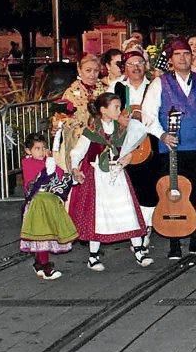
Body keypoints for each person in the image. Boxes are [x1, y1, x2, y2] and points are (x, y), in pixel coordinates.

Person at [141, 38, 196, 260]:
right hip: (170, 149)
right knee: (172, 193)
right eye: (178, 55)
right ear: (171, 59)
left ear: (192, 57)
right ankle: (174, 242)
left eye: (186, 54)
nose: (183, 58)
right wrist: (162, 135)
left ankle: (195, 239)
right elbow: (147, 114)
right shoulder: (159, 83)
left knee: (195, 193)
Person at [67, 92, 154, 271]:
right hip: (99, 177)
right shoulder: (91, 131)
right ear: (103, 110)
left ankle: (138, 251)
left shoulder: (121, 129)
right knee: (98, 216)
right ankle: (93, 256)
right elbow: (77, 152)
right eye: (116, 107)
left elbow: (131, 148)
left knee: (128, 211)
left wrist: (128, 156)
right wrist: (75, 168)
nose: (119, 110)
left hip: (118, 175)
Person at [20, 133, 78, 280]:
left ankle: (39, 263)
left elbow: (61, 176)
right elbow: (31, 183)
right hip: (38, 204)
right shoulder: (27, 163)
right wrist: (46, 172)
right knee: (41, 235)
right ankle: (46, 266)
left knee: (46, 234)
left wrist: (73, 178)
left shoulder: (49, 161)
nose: (41, 151)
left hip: (50, 202)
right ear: (28, 151)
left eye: (43, 148)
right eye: (37, 148)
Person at [114, 51, 158, 243]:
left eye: (139, 62)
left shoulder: (155, 85)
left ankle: (146, 226)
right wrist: (119, 118)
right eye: (131, 63)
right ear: (125, 67)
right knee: (128, 183)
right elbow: (108, 110)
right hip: (125, 140)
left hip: (150, 140)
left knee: (149, 183)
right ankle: (131, 226)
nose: (136, 67)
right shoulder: (117, 86)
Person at [56, 55, 109, 172]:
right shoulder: (71, 92)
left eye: (96, 71)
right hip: (78, 141)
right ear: (79, 70)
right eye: (88, 70)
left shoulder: (106, 90)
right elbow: (62, 118)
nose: (92, 74)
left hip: (103, 140)